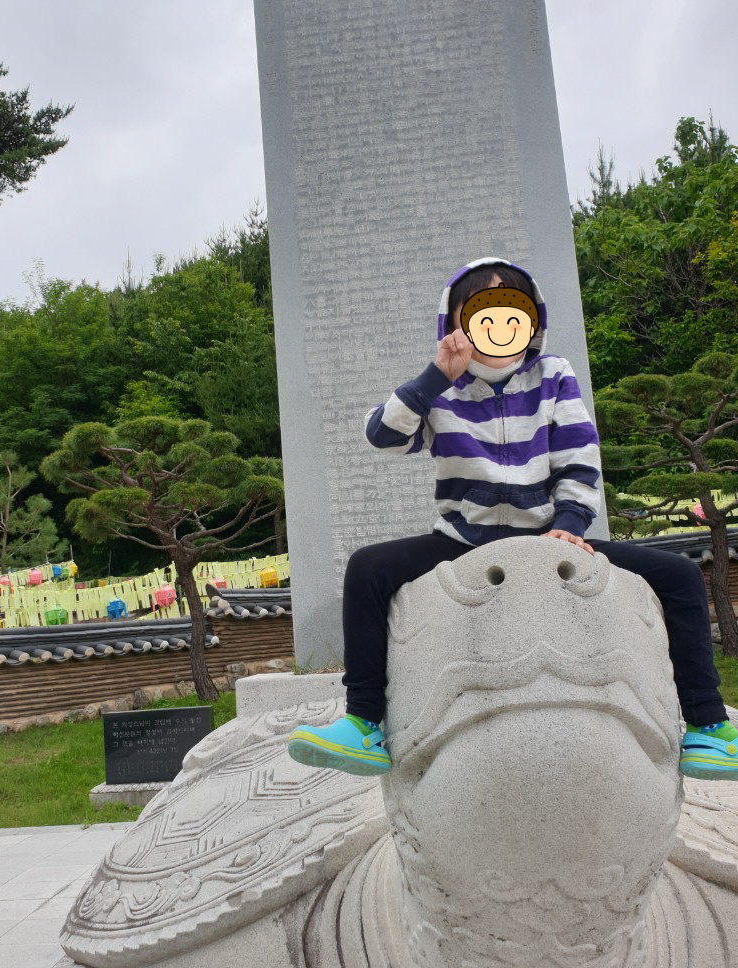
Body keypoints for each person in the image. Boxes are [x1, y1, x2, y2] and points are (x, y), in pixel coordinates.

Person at [287, 257, 738, 779]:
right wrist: (436, 376)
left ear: (532, 320)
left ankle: (707, 725)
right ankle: (364, 722)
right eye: (482, 312)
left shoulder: (554, 376)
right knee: (368, 567)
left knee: (680, 574)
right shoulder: (439, 390)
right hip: (461, 539)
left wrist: (570, 523)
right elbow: (382, 436)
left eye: (512, 311)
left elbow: (578, 456)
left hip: (550, 535)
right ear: (455, 322)